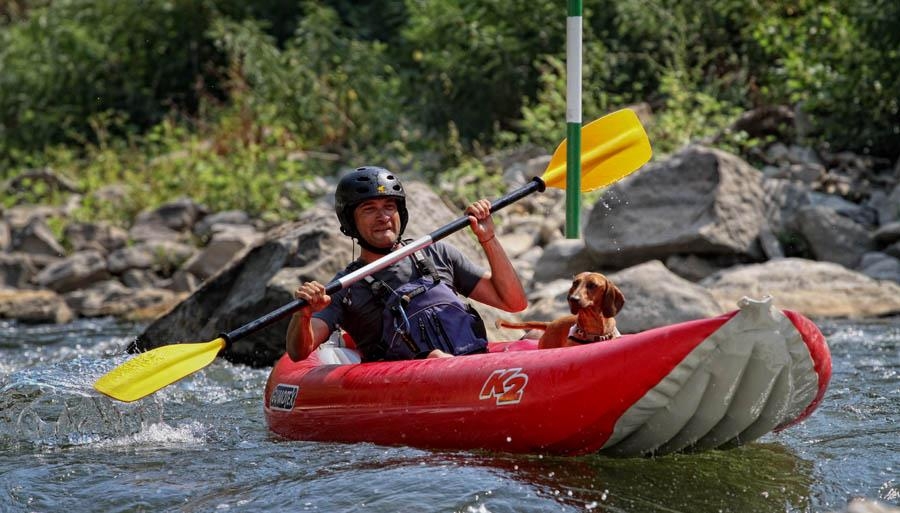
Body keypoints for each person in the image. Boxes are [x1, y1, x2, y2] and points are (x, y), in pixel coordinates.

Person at [286, 166, 527, 362]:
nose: (383, 217)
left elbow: (513, 302)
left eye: (389, 207)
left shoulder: (437, 253)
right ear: (350, 223)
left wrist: (488, 238)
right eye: (369, 209)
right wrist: (303, 316)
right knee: (436, 357)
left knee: (536, 336)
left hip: (470, 360)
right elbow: (300, 352)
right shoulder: (345, 288)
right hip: (414, 378)